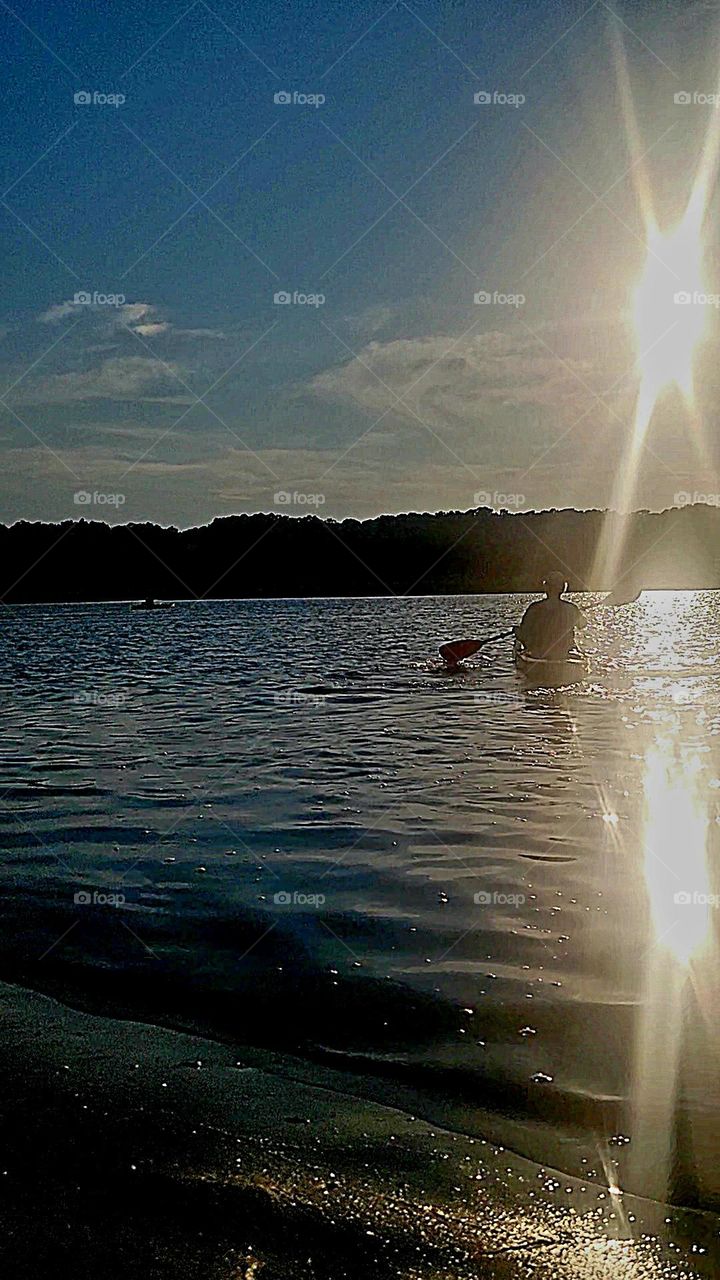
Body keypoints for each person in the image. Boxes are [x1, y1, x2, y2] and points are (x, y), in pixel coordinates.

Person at [515, 572, 586, 660]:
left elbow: (524, 631)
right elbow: (582, 624)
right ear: (563, 588)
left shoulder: (535, 608)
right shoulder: (571, 608)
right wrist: (577, 614)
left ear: (546, 588)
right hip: (563, 652)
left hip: (538, 652)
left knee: (518, 631)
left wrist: (516, 632)